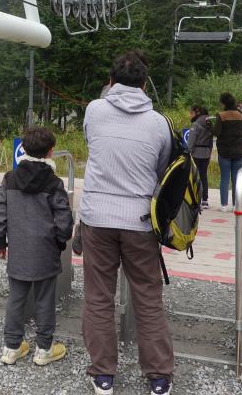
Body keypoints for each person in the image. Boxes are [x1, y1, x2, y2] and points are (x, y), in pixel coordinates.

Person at [79, 51, 174, 395]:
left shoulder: (94, 110)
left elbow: (93, 143)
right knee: (148, 298)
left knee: (98, 296)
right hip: (139, 221)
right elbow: (161, 168)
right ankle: (159, 377)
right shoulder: (160, 123)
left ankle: (103, 374)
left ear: (110, 81)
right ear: (145, 84)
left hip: (97, 218)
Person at [0, 126, 73, 368]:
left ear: (23, 150)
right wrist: (60, 240)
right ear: (50, 152)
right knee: (44, 300)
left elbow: (0, 213)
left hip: (18, 249)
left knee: (16, 298)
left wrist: (0, 242)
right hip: (45, 250)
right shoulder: (54, 182)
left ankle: (11, 348)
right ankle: (44, 350)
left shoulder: (10, 178)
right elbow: (63, 218)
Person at [212, 92, 242, 212]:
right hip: (239, 151)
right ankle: (236, 205)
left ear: (223, 103)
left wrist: (209, 126)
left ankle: (224, 205)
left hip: (225, 151)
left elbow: (216, 132)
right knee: (236, 179)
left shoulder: (221, 115)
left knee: (225, 178)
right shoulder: (241, 115)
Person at [188, 105, 213, 210]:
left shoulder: (196, 124)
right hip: (206, 153)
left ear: (197, 112)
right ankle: (205, 200)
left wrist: (188, 151)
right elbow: (211, 141)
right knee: (203, 176)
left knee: (194, 176)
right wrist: (209, 151)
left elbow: (191, 140)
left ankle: (194, 198)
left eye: (191, 113)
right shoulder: (209, 123)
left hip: (196, 153)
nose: (190, 115)